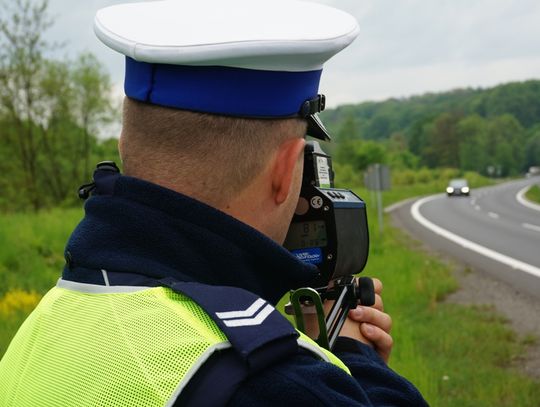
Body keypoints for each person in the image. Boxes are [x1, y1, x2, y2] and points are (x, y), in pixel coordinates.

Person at [0, 1, 428, 405]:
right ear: (286, 170)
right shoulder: (265, 379)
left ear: (125, 145)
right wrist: (354, 356)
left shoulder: (47, 324)